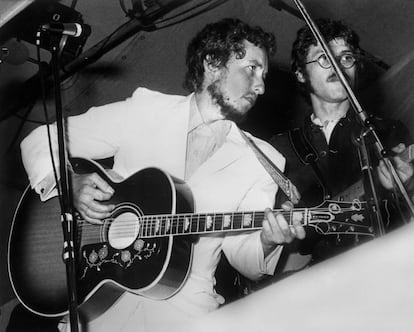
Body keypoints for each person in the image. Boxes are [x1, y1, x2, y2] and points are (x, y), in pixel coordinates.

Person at [19, 18, 305, 331]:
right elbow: (41, 140)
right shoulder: (145, 110)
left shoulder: (263, 161)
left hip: (183, 315)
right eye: (252, 68)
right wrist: (69, 183)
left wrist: (266, 240)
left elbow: (246, 260)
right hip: (99, 310)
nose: (261, 86)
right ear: (212, 62)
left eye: (263, 75)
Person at [269, 18, 414, 271]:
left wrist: (408, 186)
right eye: (325, 57)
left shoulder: (386, 132)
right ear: (301, 73)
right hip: (319, 281)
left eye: (346, 57)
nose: (338, 65)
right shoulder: (280, 148)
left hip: (387, 267)